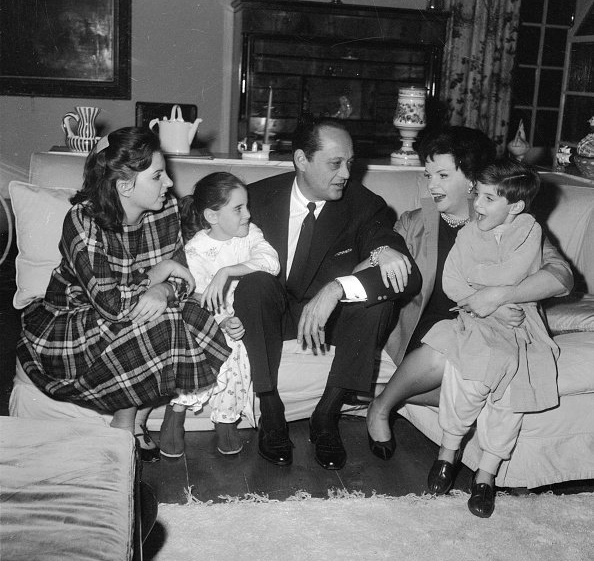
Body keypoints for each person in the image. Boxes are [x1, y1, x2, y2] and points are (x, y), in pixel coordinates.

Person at [365, 126, 572, 473]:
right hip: (429, 331)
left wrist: (501, 296)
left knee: (496, 375)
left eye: (443, 175)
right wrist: (380, 251)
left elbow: (561, 275)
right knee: (460, 361)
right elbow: (377, 253)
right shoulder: (415, 222)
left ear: (474, 180)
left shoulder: (509, 219)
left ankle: (385, 392)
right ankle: (382, 406)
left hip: (493, 331)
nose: (431, 185)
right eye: (428, 174)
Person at [17, 127, 230, 462]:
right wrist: (158, 274)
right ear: (125, 185)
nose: (170, 184)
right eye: (158, 176)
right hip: (73, 325)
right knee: (165, 321)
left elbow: (184, 281)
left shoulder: (167, 211)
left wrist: (163, 287)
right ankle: (126, 421)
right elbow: (112, 306)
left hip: (130, 318)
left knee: (194, 317)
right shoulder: (82, 221)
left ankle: (135, 416)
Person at [236, 117, 422, 470]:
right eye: (335, 164)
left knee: (375, 304)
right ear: (302, 160)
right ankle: (270, 407)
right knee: (254, 282)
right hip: (271, 314)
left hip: (332, 322)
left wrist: (337, 288)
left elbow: (405, 277)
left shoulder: (364, 205)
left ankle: (327, 414)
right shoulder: (256, 199)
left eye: (350, 163)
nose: (346, 174)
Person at [423, 159, 559, 518]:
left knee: (515, 388)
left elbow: (513, 274)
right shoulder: (468, 232)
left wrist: (483, 285)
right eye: (477, 195)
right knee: (469, 375)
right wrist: (491, 303)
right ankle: (447, 454)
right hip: (479, 316)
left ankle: (486, 477)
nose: (477, 205)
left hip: (520, 320)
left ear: (514, 206)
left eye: (488, 198)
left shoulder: (529, 229)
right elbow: (451, 282)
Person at [163, 172, 280, 457]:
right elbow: (196, 299)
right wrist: (223, 320)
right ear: (212, 216)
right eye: (238, 208)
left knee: (238, 352)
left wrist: (227, 271)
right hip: (207, 319)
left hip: (242, 316)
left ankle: (226, 420)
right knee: (198, 347)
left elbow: (270, 263)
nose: (248, 214)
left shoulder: (251, 234)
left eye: (247, 206)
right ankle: (176, 413)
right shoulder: (195, 250)